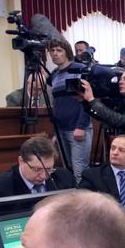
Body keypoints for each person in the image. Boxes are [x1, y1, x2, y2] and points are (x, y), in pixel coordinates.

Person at [45, 38, 94, 183]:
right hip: (61, 130)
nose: (55, 53)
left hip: (77, 129)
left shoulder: (79, 69)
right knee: (68, 171)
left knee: (80, 172)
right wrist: (56, 132)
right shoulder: (54, 75)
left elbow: (87, 101)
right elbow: (57, 104)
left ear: (67, 52)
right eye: (52, 50)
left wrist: (81, 126)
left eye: (59, 50)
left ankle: (85, 198)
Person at [0, 135, 76, 199]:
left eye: (48, 169)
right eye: (37, 169)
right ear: (21, 161)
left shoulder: (65, 177)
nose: (43, 176)